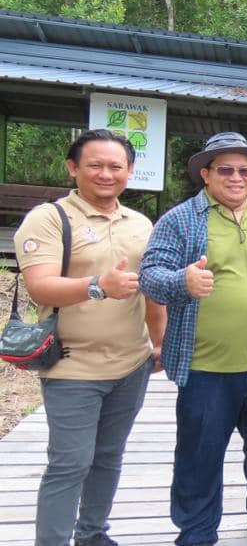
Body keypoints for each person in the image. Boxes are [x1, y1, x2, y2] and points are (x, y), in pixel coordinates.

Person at [139, 132, 247, 546]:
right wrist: (183, 281)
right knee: (200, 455)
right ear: (206, 173)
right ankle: (197, 532)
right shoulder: (181, 219)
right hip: (206, 368)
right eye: (226, 170)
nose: (237, 178)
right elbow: (150, 276)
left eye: (245, 170)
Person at [14, 129, 166, 546]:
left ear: (130, 171)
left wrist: (159, 343)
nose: (106, 174)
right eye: (95, 165)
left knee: (108, 457)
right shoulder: (49, 218)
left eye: (116, 166)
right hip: (72, 365)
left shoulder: (141, 223)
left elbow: (151, 290)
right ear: (73, 168)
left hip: (131, 364)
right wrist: (98, 285)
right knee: (70, 463)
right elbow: (40, 288)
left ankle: (93, 534)